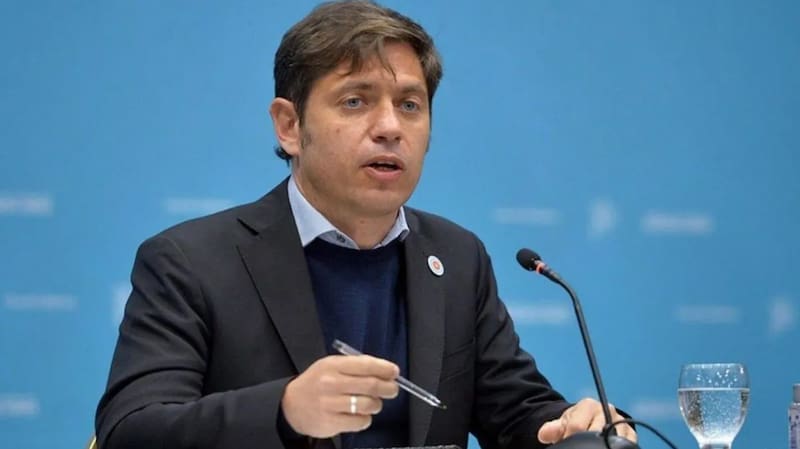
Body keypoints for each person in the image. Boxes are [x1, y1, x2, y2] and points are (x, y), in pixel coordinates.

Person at [95, 1, 637, 448]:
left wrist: (571, 426)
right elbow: (131, 431)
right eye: (355, 101)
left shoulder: (456, 256)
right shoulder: (191, 262)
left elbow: (517, 412)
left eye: (410, 105)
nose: (389, 128)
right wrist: (285, 410)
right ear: (289, 126)